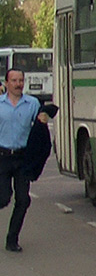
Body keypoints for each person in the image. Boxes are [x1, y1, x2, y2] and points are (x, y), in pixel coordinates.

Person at [1, 68, 49, 252]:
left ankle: (12, 239)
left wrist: (45, 115)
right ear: (7, 83)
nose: (18, 84)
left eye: (21, 80)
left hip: (22, 158)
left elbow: (43, 116)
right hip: (2, 158)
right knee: (3, 198)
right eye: (14, 80)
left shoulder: (32, 103)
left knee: (23, 200)